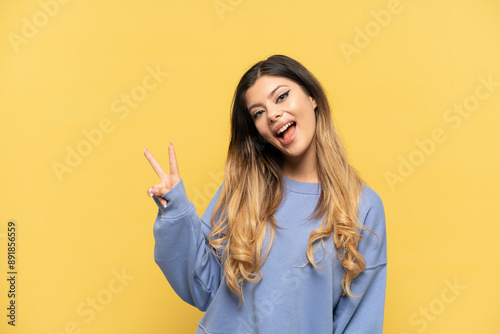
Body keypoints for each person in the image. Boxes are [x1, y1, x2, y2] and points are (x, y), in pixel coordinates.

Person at [144, 55, 387, 333]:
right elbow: (204, 286)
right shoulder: (243, 190)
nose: (272, 114)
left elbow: (361, 321)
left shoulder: (363, 206)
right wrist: (176, 210)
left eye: (282, 97)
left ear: (312, 97)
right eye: (258, 113)